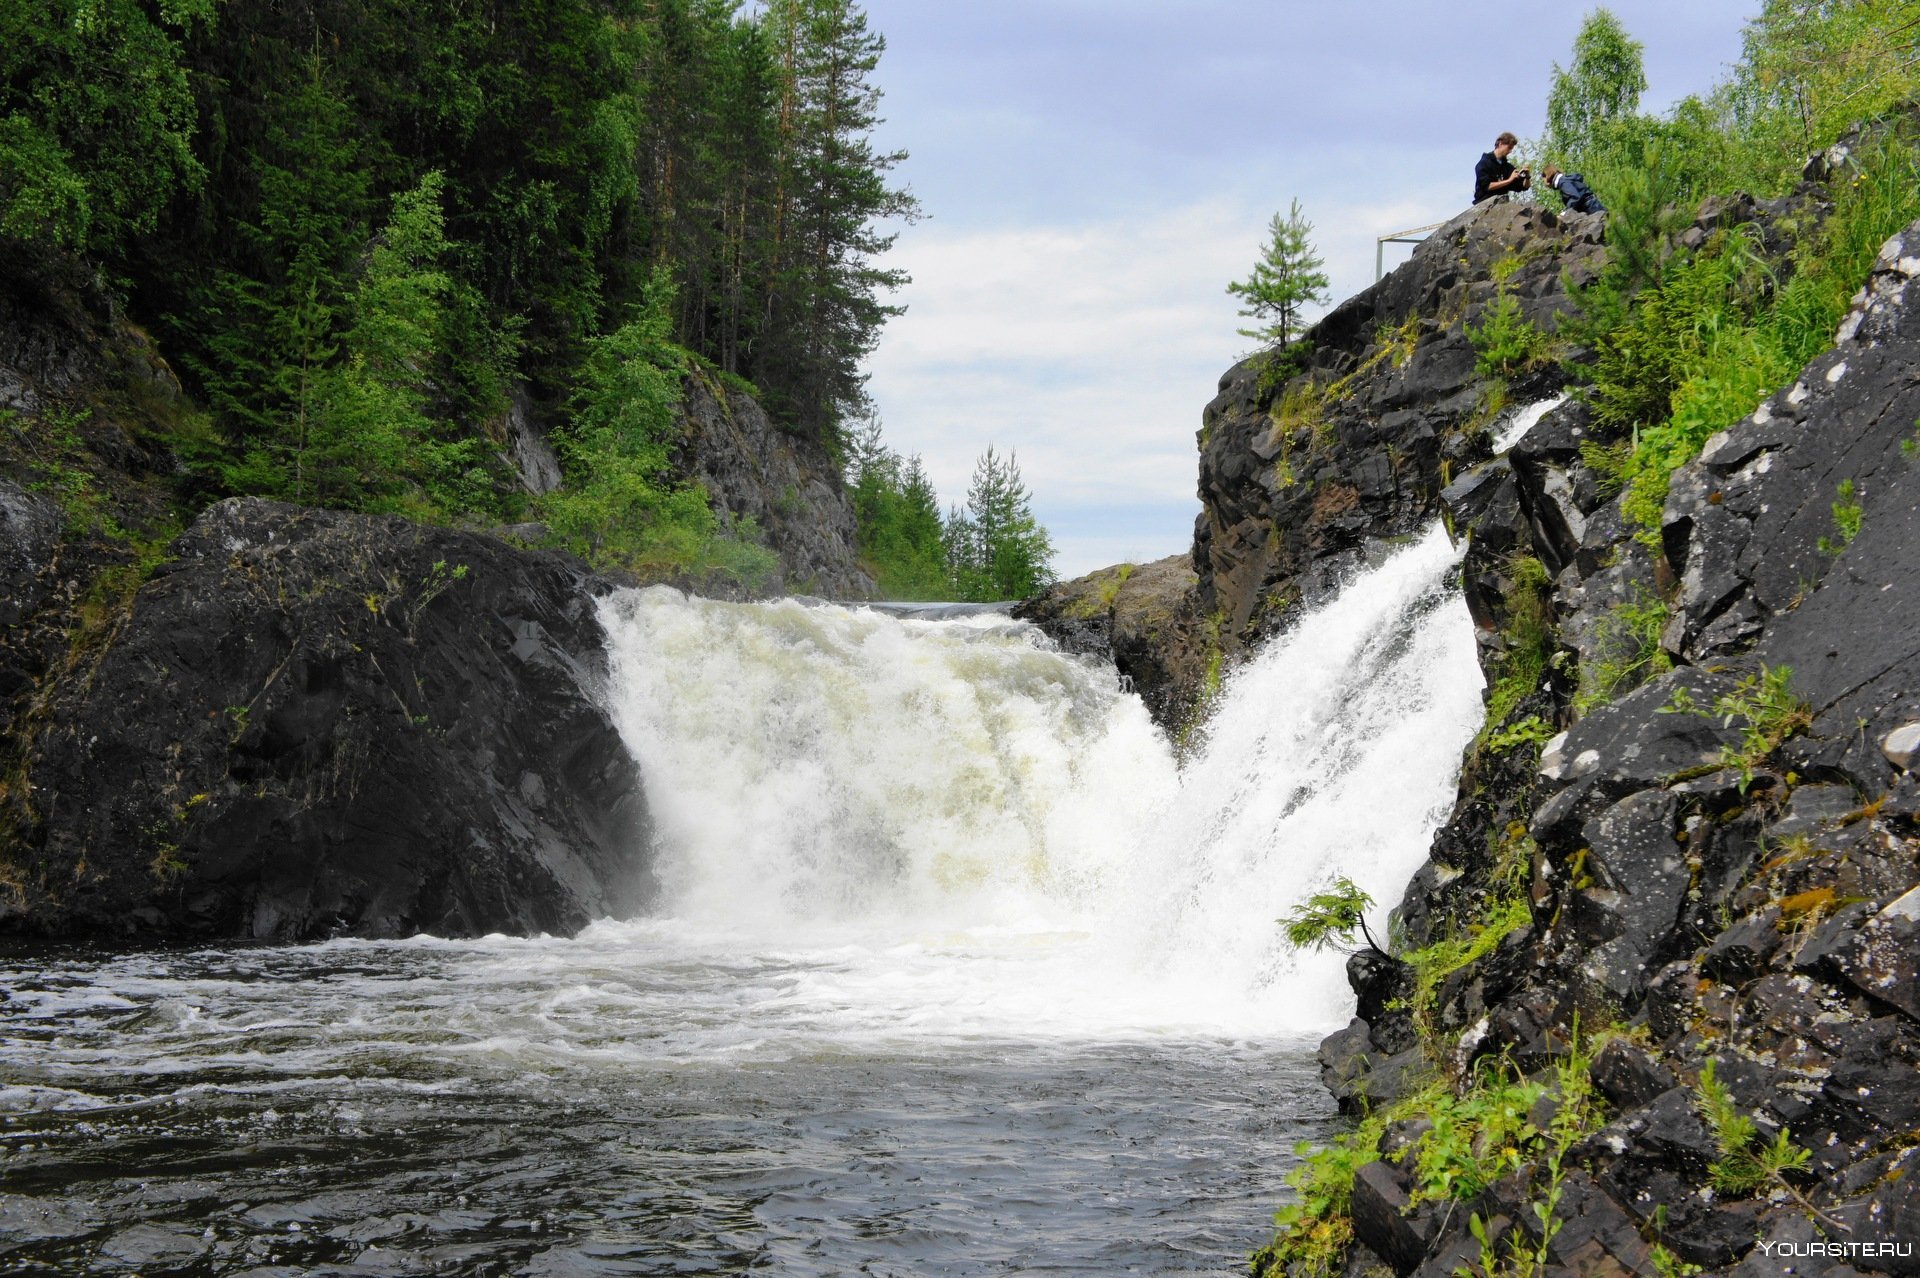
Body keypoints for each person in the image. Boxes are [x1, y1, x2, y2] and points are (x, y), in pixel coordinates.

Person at [1474, 132, 1530, 204]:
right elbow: (1487, 186)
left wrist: (1527, 176)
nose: (1510, 151)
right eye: (1509, 148)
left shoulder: (1507, 167)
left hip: (1501, 205)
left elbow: (1524, 186)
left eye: (1511, 149)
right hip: (1484, 205)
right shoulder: (1484, 163)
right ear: (1500, 144)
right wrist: (1509, 180)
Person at [1540, 165, 1606, 215]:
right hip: (1593, 204)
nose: (1544, 184)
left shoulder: (1563, 183)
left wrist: (1566, 212)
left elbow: (1575, 197)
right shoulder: (1565, 180)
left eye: (1543, 180)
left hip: (1590, 208)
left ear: (1547, 176)